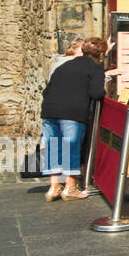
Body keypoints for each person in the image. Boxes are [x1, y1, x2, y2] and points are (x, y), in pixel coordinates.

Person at [40, 37, 113, 201]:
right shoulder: (95, 68)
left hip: (49, 110)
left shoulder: (65, 65)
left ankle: (54, 187)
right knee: (71, 147)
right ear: (101, 54)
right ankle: (70, 187)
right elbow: (96, 93)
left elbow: (46, 91)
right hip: (72, 113)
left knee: (54, 147)